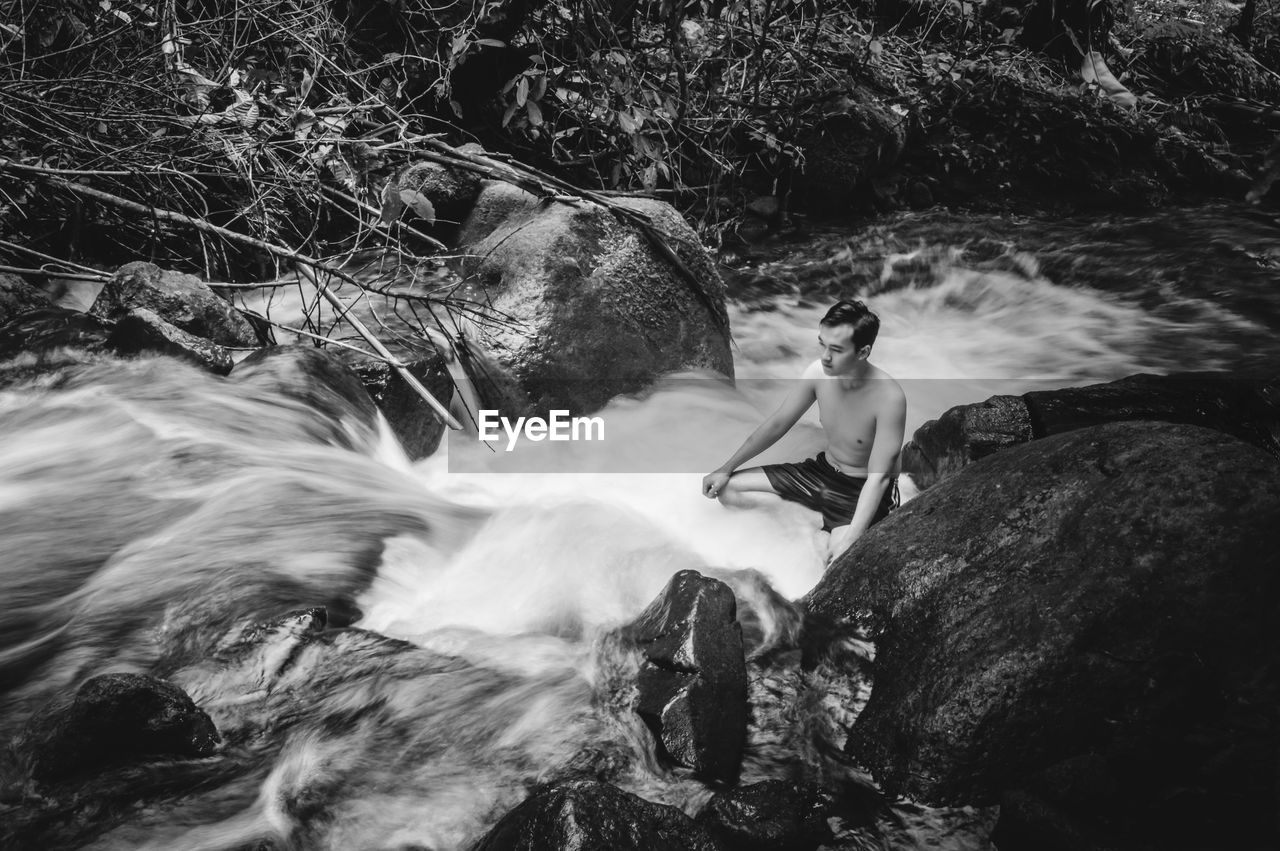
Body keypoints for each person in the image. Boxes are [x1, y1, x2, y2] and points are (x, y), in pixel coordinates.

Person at [701, 300, 906, 560]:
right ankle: (811, 528)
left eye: (836, 349)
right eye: (822, 343)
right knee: (729, 490)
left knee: (839, 562)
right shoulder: (818, 373)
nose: (825, 356)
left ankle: (831, 536)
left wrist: (851, 538)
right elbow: (779, 423)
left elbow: (880, 478)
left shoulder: (889, 398)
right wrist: (726, 468)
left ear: (863, 352)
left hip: (862, 490)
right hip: (821, 474)